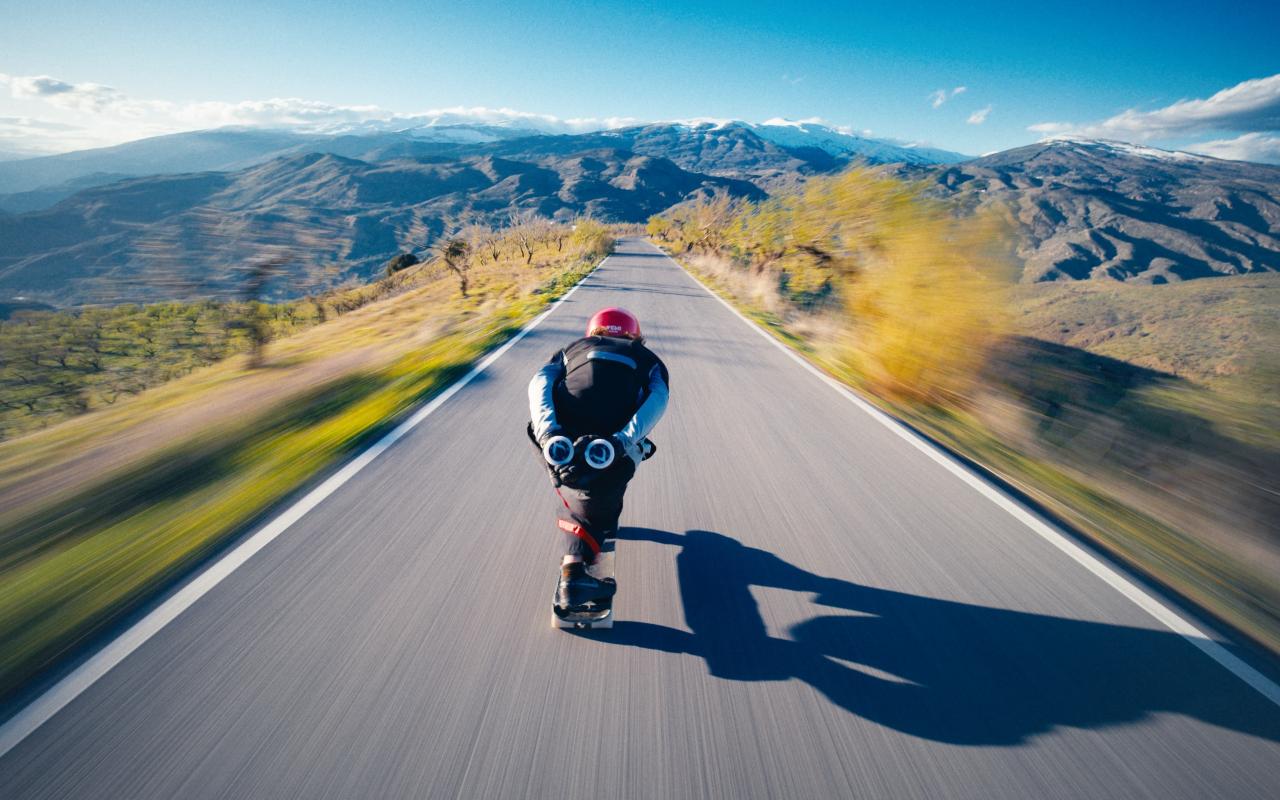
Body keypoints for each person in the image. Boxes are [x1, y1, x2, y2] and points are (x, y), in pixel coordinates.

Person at [527, 307, 670, 611]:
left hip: (564, 433)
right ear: (636, 336)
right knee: (606, 472)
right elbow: (658, 400)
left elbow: (540, 383)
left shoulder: (570, 350)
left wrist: (547, 432)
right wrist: (623, 440)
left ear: (592, 333)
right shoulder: (648, 359)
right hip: (612, 440)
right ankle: (574, 578)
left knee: (571, 479)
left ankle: (563, 455)